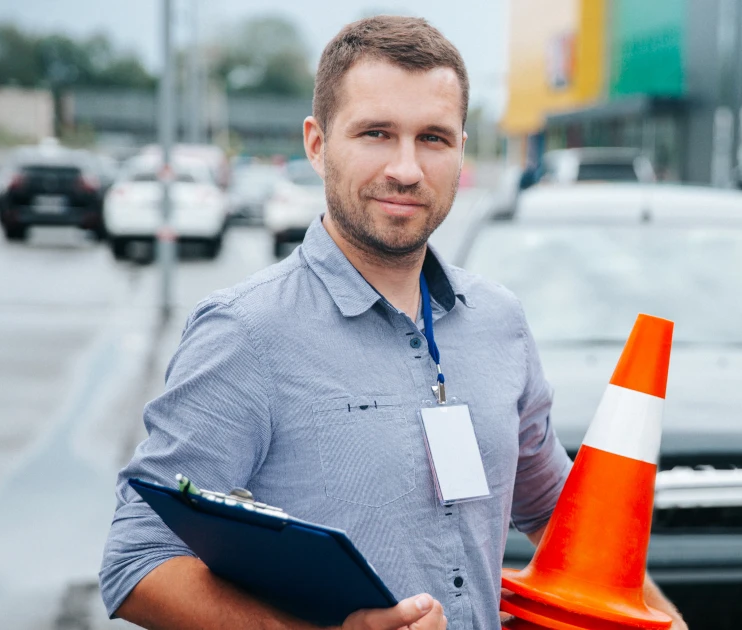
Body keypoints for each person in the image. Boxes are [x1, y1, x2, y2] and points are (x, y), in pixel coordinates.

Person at [99, 16, 686, 630]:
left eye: (433, 138)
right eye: (376, 133)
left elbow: (564, 523)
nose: (406, 169)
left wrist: (664, 621)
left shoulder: (498, 321)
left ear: (462, 148)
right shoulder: (246, 334)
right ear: (317, 143)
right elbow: (137, 560)